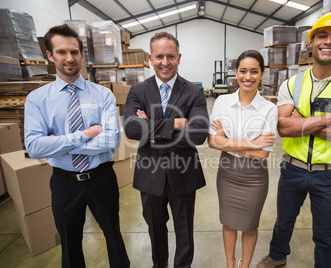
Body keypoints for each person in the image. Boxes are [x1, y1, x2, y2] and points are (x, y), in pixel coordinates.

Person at [256, 11, 331, 268]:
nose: (328, 41)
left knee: (326, 235)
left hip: (329, 174)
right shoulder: (292, 84)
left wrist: (302, 122)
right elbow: (282, 127)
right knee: (283, 221)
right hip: (292, 168)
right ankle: (277, 256)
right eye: (322, 35)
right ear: (312, 41)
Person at [24, 24, 130, 268]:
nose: (69, 58)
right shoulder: (37, 100)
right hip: (64, 182)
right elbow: (35, 147)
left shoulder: (102, 95)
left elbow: (111, 141)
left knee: (113, 235)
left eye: (74, 52)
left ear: (82, 55)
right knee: (70, 243)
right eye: (61, 52)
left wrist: (57, 143)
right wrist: (85, 134)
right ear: (50, 56)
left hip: (102, 179)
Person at [122, 31, 209, 268]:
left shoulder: (194, 91)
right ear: (151, 58)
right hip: (150, 176)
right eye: (159, 56)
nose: (165, 62)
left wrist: (150, 129)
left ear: (179, 57)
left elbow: (199, 134)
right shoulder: (137, 91)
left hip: (183, 174)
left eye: (170, 56)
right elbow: (131, 128)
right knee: (155, 228)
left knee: (184, 230)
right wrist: (177, 123)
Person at [208, 50, 278, 268]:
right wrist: (252, 142)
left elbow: (262, 154)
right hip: (227, 173)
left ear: (262, 74)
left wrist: (227, 142)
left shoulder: (269, 109)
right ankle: (231, 264)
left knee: (249, 226)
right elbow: (212, 142)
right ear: (236, 73)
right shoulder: (222, 102)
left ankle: (244, 265)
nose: (248, 77)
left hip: (254, 177)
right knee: (228, 224)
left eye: (254, 72)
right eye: (243, 71)